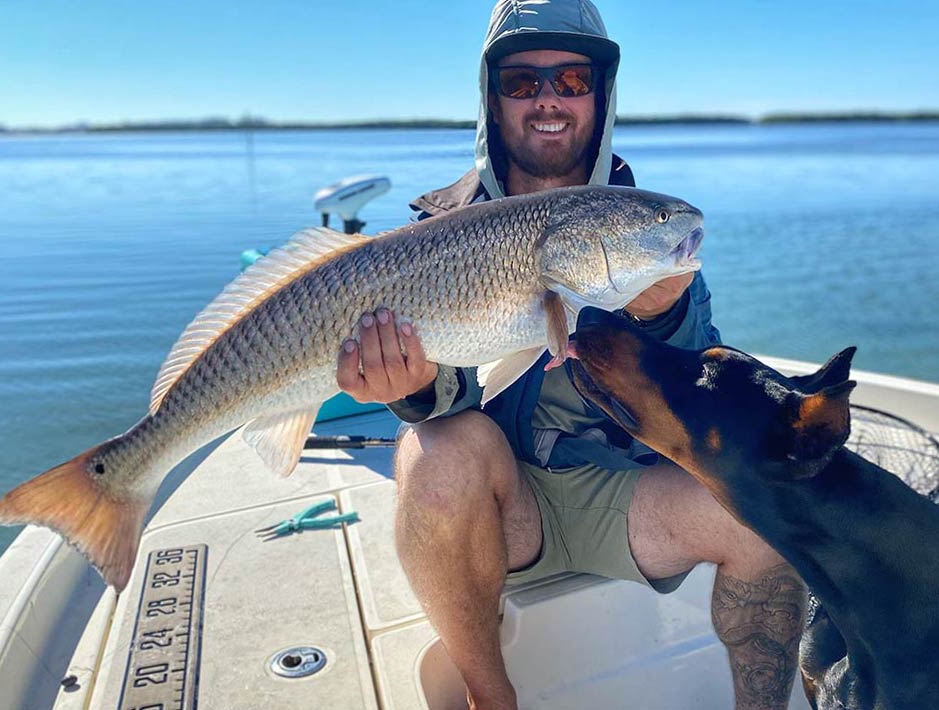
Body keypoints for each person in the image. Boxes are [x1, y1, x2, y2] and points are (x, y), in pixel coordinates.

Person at [336, 2, 807, 708]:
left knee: (772, 505)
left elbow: (705, 381)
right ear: (491, 101)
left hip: (629, 496)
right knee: (432, 451)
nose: (549, 99)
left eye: (572, 78)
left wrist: (667, 314)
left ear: (600, 93)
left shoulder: (638, 229)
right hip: (501, 510)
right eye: (522, 83)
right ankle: (489, 698)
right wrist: (412, 387)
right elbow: (451, 406)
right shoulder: (437, 232)